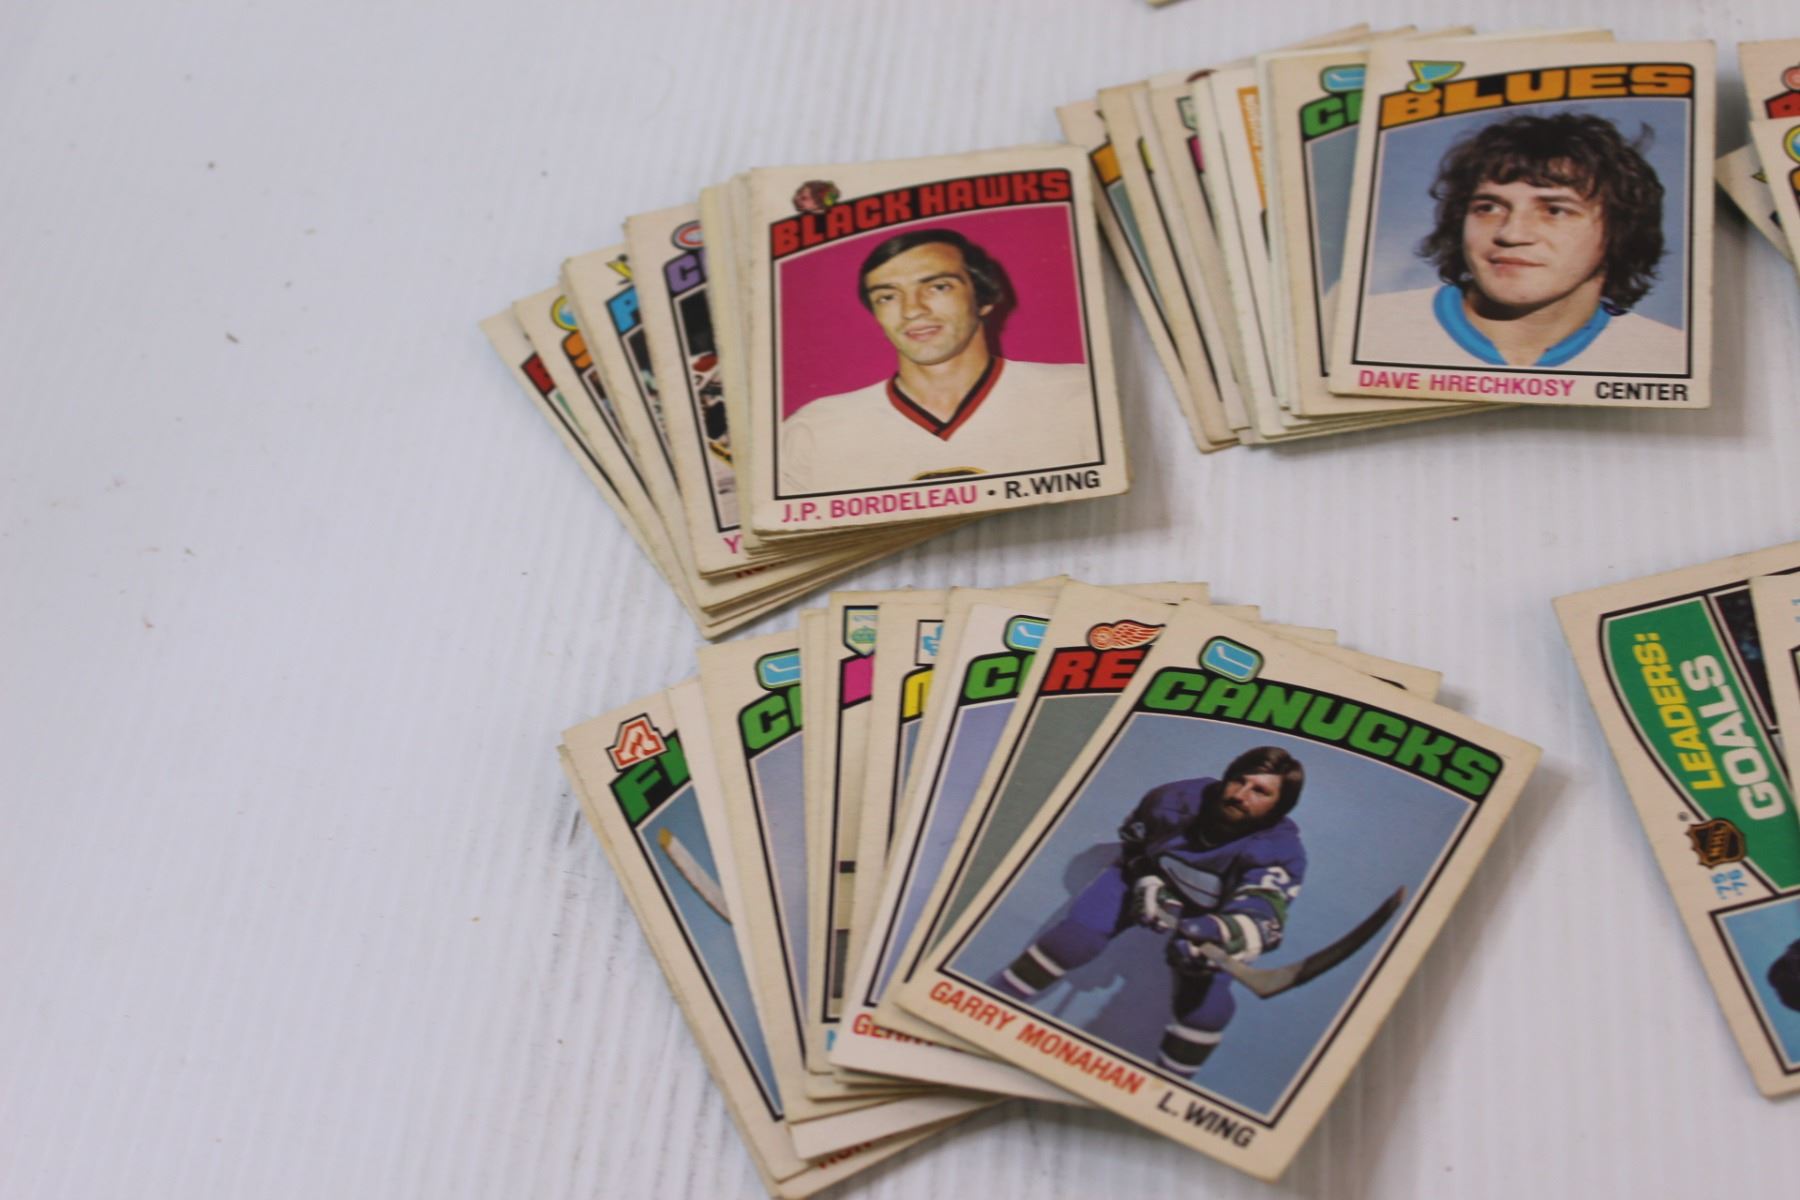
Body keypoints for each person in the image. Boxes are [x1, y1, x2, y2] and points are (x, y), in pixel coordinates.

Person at [993, 747, 1307, 1077]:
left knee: (1205, 1011)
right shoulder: (1177, 799)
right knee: (1072, 941)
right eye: (1238, 781)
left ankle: (1168, 1087)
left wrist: (1217, 932)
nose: (1240, 795)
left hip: (1212, 916)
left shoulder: (1280, 850)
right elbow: (1134, 841)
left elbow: (1261, 913)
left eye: (1260, 791)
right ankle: (995, 1004)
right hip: (1145, 879)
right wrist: (1145, 876)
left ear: (1280, 806)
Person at [1356, 112, 1686, 372]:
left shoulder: (1665, 358)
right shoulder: (1369, 328)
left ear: (1620, 230)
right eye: (1489, 208)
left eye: (1554, 210)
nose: (1511, 234)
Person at [778, 229, 1098, 493]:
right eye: (887, 297)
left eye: (938, 287)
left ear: (983, 299)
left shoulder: (1084, 396)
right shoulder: (815, 431)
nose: (912, 310)